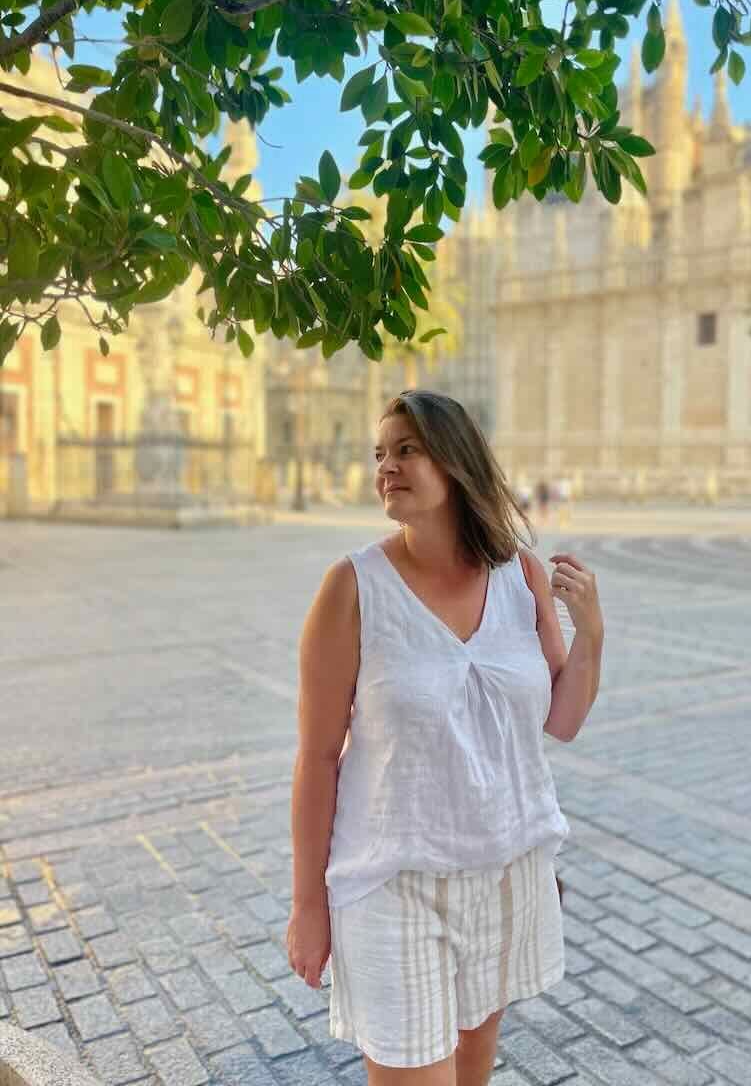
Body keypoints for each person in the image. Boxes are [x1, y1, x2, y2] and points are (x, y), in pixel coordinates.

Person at [286, 389, 604, 1085]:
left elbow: (564, 718)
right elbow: (315, 758)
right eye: (380, 454)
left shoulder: (520, 574)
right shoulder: (351, 587)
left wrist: (593, 634)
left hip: (504, 875)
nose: (385, 467)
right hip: (393, 881)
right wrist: (308, 904)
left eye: (407, 450)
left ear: (456, 462)